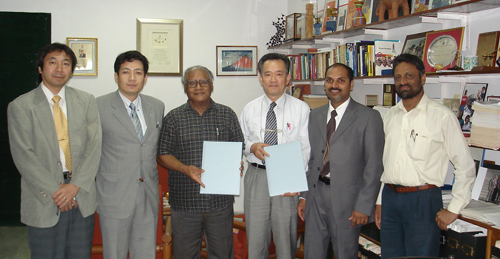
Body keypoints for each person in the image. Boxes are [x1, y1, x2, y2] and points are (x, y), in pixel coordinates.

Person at [374, 53, 476, 258]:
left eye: (409, 76)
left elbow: (465, 166)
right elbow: (387, 163)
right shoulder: (390, 115)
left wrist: (454, 208)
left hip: (423, 201)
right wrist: (380, 202)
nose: (402, 82)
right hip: (391, 199)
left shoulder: (442, 116)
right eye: (397, 77)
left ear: (422, 78)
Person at [7, 43, 102, 258]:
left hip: (81, 196)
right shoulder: (21, 106)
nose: (59, 69)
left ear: (72, 70)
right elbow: (24, 155)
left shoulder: (86, 101)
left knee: (79, 254)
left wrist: (74, 186)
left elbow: (94, 146)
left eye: (66, 63)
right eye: (53, 62)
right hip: (44, 198)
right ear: (40, 68)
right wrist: (56, 191)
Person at [296, 63, 385, 259]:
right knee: (313, 252)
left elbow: (374, 167)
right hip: (316, 195)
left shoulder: (369, 117)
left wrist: (364, 205)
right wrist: (304, 196)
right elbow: (312, 159)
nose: (334, 85)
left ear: (351, 85)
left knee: (345, 253)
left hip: (349, 201)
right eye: (329, 80)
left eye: (341, 80)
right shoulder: (315, 115)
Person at [157, 66, 244, 259]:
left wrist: (236, 165)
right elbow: (162, 154)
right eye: (192, 83)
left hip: (219, 202)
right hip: (185, 202)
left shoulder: (227, 115)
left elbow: (238, 148)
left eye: (203, 81)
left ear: (211, 85)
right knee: (185, 255)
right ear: (185, 87)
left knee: (222, 254)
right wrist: (185, 169)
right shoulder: (173, 118)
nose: (198, 87)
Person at [239, 53, 310, 259]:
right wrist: (252, 147)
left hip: (288, 176)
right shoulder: (249, 109)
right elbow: (240, 142)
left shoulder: (301, 109)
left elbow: (307, 150)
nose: (273, 79)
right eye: (267, 74)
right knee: (256, 237)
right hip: (257, 175)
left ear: (288, 78)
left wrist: (299, 184)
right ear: (260, 78)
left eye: (279, 74)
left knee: (285, 238)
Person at [96, 50, 165, 259]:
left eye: (138, 72)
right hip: (114, 194)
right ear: (116, 76)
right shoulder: (98, 106)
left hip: (148, 193)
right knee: (114, 254)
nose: (132, 78)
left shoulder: (157, 106)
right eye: (126, 72)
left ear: (145, 78)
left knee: (145, 254)